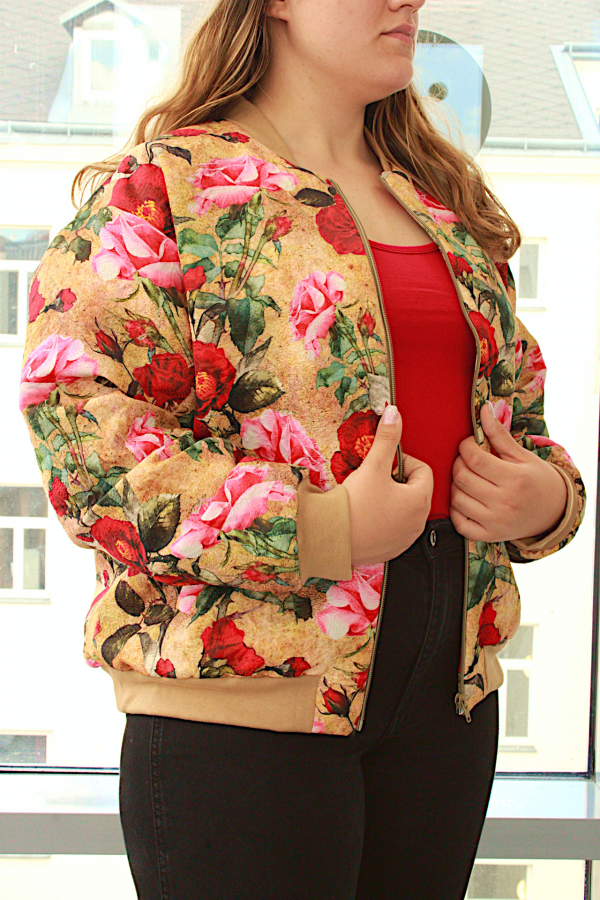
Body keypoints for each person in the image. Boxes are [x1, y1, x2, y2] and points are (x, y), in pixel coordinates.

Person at [20, 1, 586, 897]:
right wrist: (323, 526)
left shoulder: (442, 203)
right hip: (239, 707)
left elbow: (521, 419)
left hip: (448, 706)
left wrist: (545, 501)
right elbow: (86, 446)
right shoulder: (165, 191)